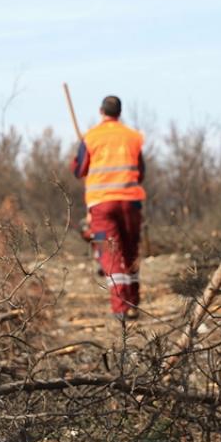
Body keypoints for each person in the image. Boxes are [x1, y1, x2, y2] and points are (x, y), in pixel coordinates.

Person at [70, 95, 145, 320]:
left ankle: (120, 307)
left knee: (110, 254)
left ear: (101, 111)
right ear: (119, 113)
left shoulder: (91, 137)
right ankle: (133, 302)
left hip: (102, 204)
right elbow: (140, 172)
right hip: (131, 201)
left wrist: (79, 158)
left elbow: (78, 170)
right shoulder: (133, 137)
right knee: (130, 251)